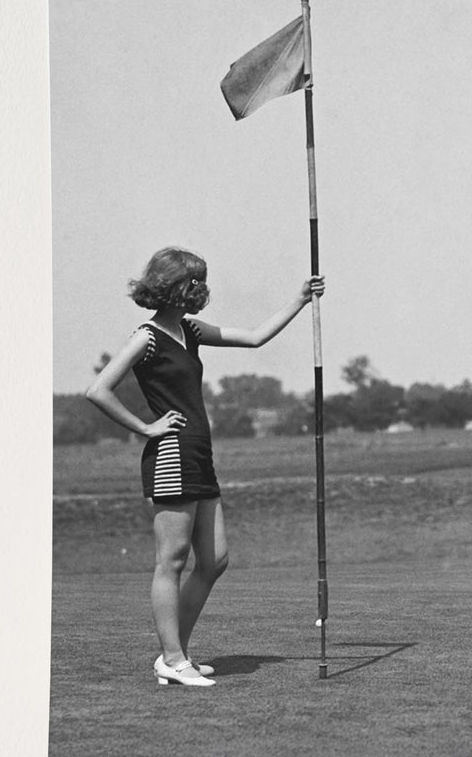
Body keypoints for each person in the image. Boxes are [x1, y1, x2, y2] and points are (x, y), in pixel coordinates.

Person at [85, 247, 324, 687]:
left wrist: (301, 298)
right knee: (172, 560)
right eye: (194, 281)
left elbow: (254, 338)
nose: (201, 289)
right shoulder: (147, 337)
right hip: (171, 454)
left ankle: (176, 655)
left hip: (198, 453)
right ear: (171, 286)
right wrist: (146, 427)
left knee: (214, 561)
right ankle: (173, 660)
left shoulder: (189, 331)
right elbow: (98, 390)